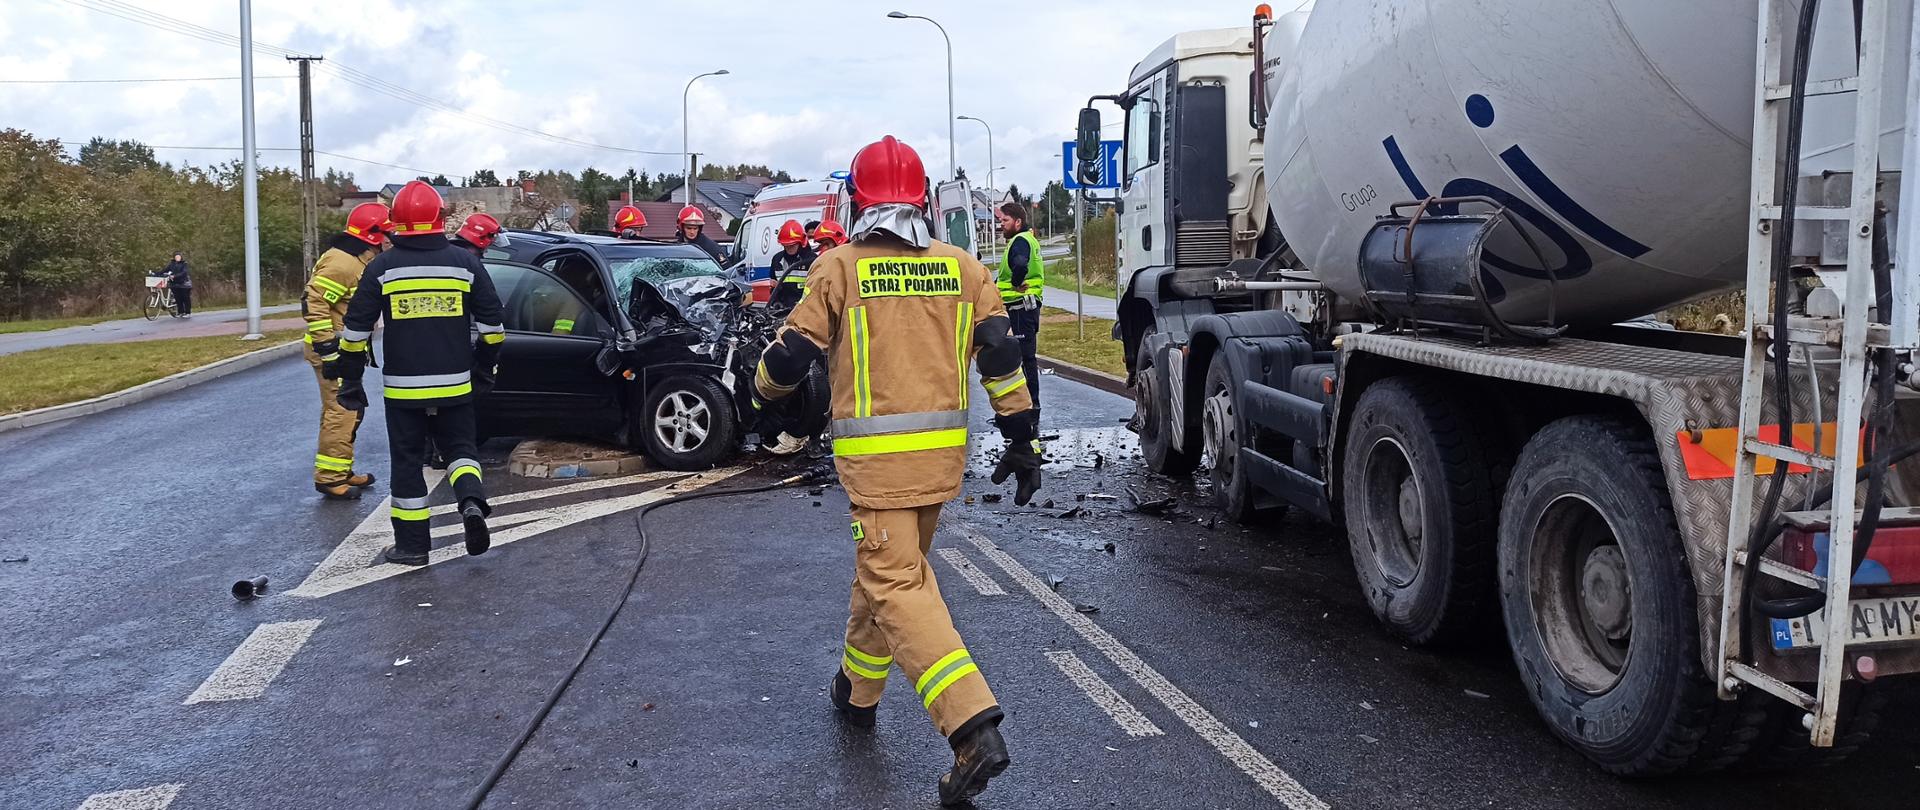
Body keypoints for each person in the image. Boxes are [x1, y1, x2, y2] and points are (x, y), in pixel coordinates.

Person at [753, 135, 1040, 806]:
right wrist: (1022, 439)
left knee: (899, 589)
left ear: (857, 202)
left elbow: (790, 358)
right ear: (923, 201)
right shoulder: (966, 270)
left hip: (877, 473)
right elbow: (1001, 357)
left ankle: (972, 728)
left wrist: (761, 396)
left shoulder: (839, 269)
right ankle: (857, 692)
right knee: (888, 579)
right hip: (939, 468)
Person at [329, 181, 504, 566]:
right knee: (461, 451)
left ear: (397, 224)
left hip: (404, 390)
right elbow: (493, 327)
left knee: (408, 462)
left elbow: (356, 331)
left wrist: (351, 379)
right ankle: (471, 504)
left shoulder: (382, 267)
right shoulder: (466, 264)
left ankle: (412, 546)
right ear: (440, 219)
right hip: (455, 383)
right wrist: (483, 368)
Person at [305, 203, 391, 498]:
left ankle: (341, 470)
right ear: (373, 235)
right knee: (342, 411)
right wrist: (328, 349)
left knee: (349, 410)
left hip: (343, 350)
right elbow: (313, 302)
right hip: (334, 352)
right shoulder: (344, 263)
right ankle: (330, 478)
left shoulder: (352, 258)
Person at [994, 201, 1046, 428]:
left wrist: (1016, 283)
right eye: (1000, 221)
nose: (1001, 225)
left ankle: (1029, 410)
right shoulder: (1026, 239)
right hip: (1024, 307)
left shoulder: (1020, 241)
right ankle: (1027, 408)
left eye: (1004, 221)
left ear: (1018, 222)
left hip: (1020, 307)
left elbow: (1020, 265)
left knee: (1023, 360)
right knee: (1026, 359)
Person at [768, 218, 816, 308]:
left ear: (801, 242)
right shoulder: (777, 260)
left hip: (805, 310)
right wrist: (776, 302)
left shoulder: (811, 260)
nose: (789, 248)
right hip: (782, 310)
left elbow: (816, 290)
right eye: (786, 245)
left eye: (792, 245)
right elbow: (773, 285)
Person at [163, 251, 193, 318]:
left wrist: (175, 276)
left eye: (178, 257)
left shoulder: (184, 264)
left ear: (181, 257)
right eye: (176, 257)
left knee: (185, 298)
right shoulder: (172, 264)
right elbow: (165, 270)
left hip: (184, 284)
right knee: (178, 299)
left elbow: (184, 272)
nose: (177, 258)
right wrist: (156, 273)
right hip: (174, 284)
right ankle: (180, 312)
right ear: (174, 257)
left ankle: (188, 312)